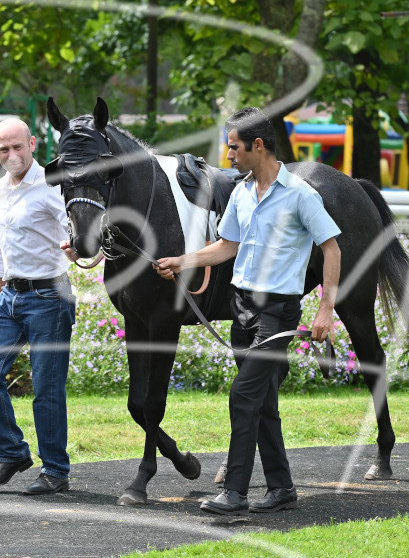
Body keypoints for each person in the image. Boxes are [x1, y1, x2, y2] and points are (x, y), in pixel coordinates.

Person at [155, 107, 341, 516]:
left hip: (277, 312)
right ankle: (282, 488)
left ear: (258, 145)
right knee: (262, 401)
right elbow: (227, 246)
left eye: (234, 147)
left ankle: (235, 491)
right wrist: (181, 262)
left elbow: (331, 248)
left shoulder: (300, 194)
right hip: (241, 306)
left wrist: (326, 308)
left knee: (243, 395)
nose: (228, 156)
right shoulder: (241, 192)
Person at [0, 118, 77, 495]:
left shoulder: (53, 184)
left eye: (18, 146)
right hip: (10, 296)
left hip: (50, 296)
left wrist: (77, 247)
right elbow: (0, 245)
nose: (12, 154)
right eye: (4, 148)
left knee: (47, 387)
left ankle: (55, 471)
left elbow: (78, 230)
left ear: (32, 143)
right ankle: (12, 453)